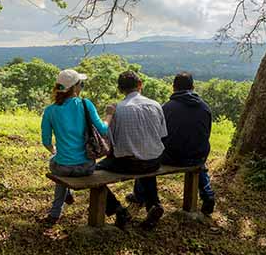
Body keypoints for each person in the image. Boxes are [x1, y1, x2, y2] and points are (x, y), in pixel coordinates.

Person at [129, 71, 215, 215]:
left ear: (173, 87)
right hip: (198, 156)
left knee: (146, 158)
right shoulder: (204, 107)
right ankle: (208, 195)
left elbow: (158, 136)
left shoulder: (167, 108)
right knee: (199, 164)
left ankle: (140, 196)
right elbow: (206, 134)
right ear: (193, 87)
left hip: (172, 157)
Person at [97, 71, 168, 229]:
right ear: (140, 84)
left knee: (92, 171)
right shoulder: (156, 105)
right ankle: (153, 205)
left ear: (120, 89)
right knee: (145, 159)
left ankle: (117, 209)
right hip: (154, 161)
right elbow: (163, 135)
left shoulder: (117, 110)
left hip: (127, 164)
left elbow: (108, 143)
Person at [41, 69, 112, 224]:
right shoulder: (86, 104)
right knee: (66, 170)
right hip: (86, 166)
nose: (82, 86)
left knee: (57, 162)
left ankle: (55, 213)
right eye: (81, 84)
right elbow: (103, 129)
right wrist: (109, 115)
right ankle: (61, 203)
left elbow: (46, 141)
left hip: (62, 167)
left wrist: (55, 152)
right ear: (74, 87)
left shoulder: (50, 111)